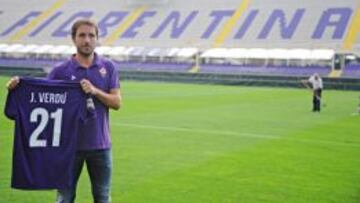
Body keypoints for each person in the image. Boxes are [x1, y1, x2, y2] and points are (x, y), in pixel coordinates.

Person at [6, 19, 122, 203]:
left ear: (97, 39)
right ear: (73, 39)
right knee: (65, 198)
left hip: (101, 146)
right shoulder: (60, 71)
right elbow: (40, 98)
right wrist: (19, 88)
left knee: (102, 197)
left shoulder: (108, 67)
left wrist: (95, 91)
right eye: (82, 35)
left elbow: (117, 102)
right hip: (68, 148)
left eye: (91, 35)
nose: (87, 40)